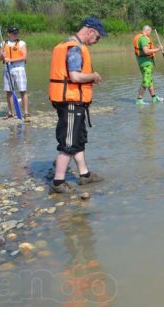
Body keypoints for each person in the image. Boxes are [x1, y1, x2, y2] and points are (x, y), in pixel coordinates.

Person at [48, 17, 107, 194]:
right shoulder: (74, 48)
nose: (97, 41)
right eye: (97, 37)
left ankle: (84, 175)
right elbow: (75, 77)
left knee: (78, 139)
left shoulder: (68, 44)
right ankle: (58, 182)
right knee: (68, 142)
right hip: (71, 102)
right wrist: (93, 76)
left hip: (74, 101)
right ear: (90, 31)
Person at [0, 26, 29, 121]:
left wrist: (10, 59)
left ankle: (26, 112)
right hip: (8, 69)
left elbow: (24, 57)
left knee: (23, 90)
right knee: (9, 91)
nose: (16, 35)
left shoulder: (21, 43)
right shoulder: (3, 43)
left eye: (16, 33)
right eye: (13, 33)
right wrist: (1, 56)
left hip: (19, 68)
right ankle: (11, 112)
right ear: (9, 34)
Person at [133, 25, 164, 105]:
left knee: (150, 81)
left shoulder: (141, 37)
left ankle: (154, 98)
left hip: (145, 62)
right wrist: (158, 49)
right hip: (145, 63)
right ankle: (139, 100)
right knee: (146, 81)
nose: (150, 34)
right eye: (150, 32)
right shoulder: (143, 38)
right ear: (147, 31)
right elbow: (146, 51)